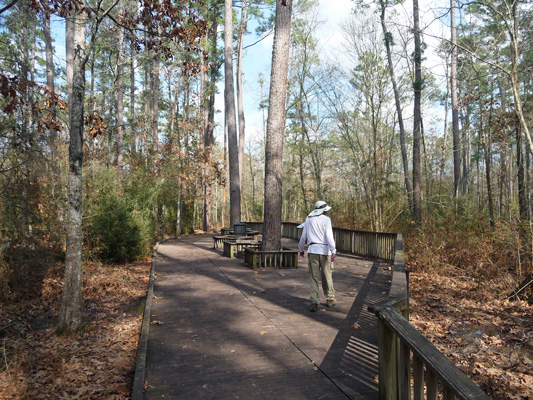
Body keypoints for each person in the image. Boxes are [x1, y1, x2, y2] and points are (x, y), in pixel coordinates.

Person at [298, 201, 337, 312]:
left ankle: (314, 301)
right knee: (327, 275)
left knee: (314, 277)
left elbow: (303, 236)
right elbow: (329, 235)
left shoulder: (309, 219)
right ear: (324, 211)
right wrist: (333, 249)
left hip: (312, 250)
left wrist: (301, 249)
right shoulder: (326, 220)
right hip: (325, 251)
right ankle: (330, 298)